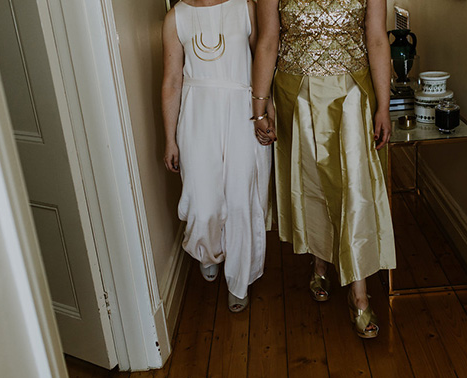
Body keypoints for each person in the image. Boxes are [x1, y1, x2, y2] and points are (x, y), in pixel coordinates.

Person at [251, 0, 396, 337]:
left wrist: (384, 106)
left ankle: (359, 294)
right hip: (296, 96)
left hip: (352, 95)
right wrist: (260, 106)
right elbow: (268, 40)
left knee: (354, 188)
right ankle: (320, 260)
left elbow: (377, 37)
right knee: (312, 183)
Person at [162, 0, 271, 312]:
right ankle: (208, 249)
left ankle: (239, 279)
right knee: (203, 200)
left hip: (242, 110)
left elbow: (261, 61)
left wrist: (267, 110)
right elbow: (172, 80)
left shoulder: (245, 7)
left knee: (240, 199)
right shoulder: (176, 18)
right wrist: (169, 139)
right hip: (197, 115)